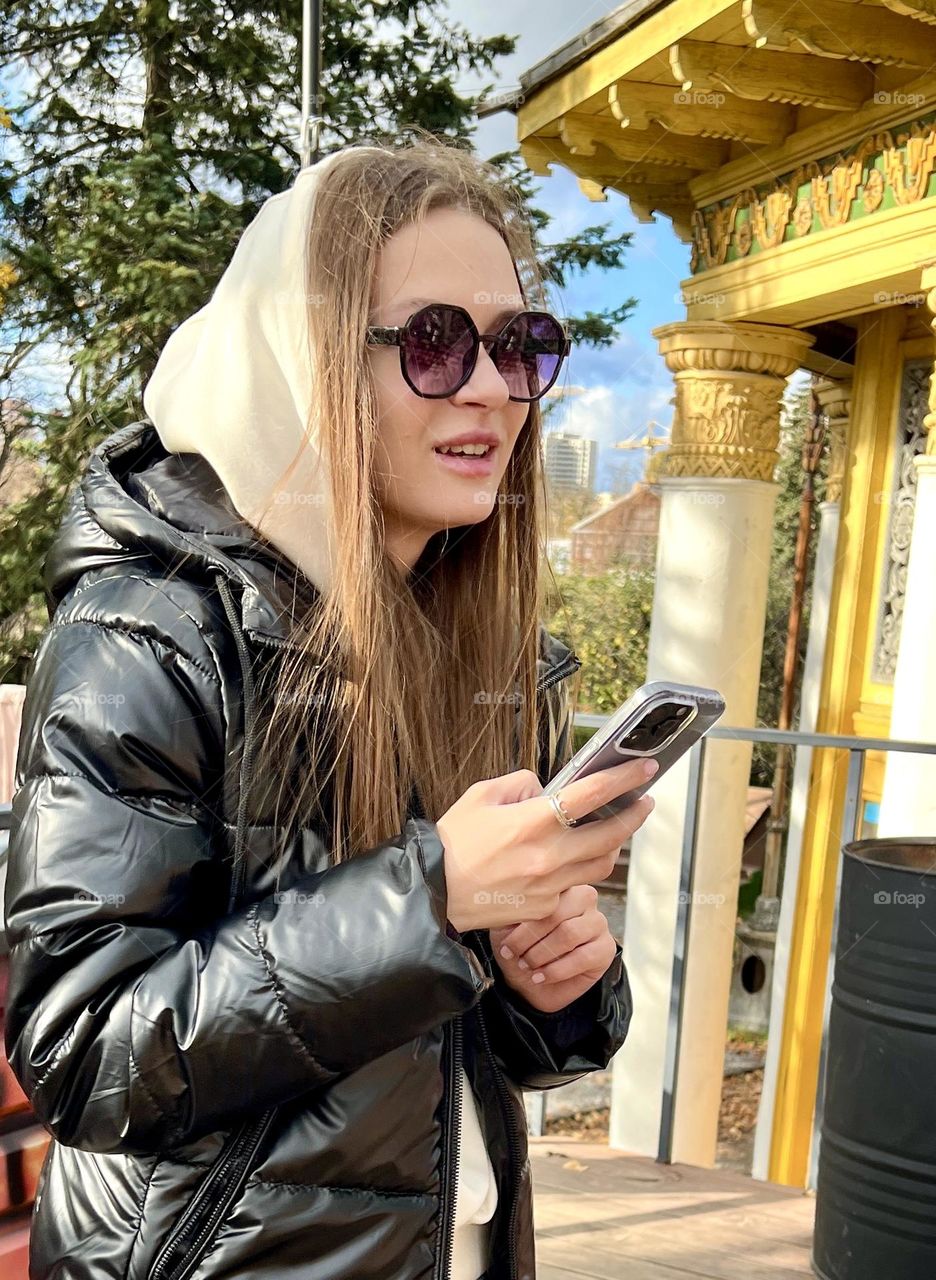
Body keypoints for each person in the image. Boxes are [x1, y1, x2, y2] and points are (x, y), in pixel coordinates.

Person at [3, 135, 654, 1280]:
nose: (497, 387)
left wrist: (556, 986)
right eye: (436, 342)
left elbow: (453, 1045)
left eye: (519, 344)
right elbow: (86, 1050)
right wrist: (432, 892)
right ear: (302, 360)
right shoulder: (148, 632)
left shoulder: (482, 651)